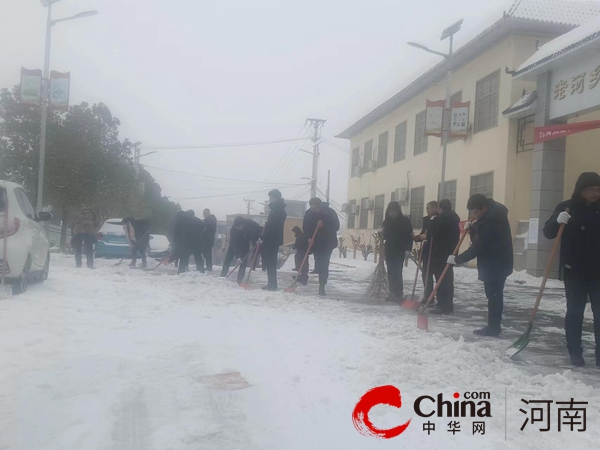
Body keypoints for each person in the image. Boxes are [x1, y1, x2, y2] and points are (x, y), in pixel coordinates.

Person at [543, 172, 600, 367]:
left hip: (598, 271)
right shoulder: (567, 207)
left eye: (598, 189)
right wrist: (557, 220)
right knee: (575, 313)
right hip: (574, 270)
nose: (595, 193)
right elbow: (549, 233)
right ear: (581, 190)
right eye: (591, 189)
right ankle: (575, 352)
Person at [447, 194, 513, 336]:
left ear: (484, 207)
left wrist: (457, 260)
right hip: (496, 262)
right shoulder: (491, 215)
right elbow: (478, 240)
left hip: (496, 262)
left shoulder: (491, 220)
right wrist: (472, 228)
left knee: (494, 295)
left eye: (476, 212)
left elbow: (478, 246)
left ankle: (494, 327)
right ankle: (494, 325)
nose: (475, 215)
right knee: (494, 295)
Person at [300, 198, 340, 296]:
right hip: (313, 242)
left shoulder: (330, 213)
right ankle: (303, 276)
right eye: (312, 208)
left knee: (323, 264)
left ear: (320, 206)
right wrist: (308, 238)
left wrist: (324, 225)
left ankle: (322, 286)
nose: (314, 210)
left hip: (326, 243)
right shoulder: (309, 213)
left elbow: (336, 227)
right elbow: (305, 227)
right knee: (300, 253)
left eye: (316, 208)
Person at [428, 199, 460, 315]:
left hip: (440, 254)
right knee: (447, 280)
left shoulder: (441, 220)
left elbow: (432, 234)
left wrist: (431, 222)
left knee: (440, 280)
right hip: (451, 253)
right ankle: (448, 305)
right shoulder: (454, 219)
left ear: (440, 209)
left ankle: (442, 305)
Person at [380, 201, 413, 300]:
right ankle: (392, 293)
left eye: (394, 211)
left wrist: (408, 249)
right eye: (390, 211)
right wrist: (380, 233)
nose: (392, 213)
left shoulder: (405, 221)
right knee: (390, 272)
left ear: (398, 211)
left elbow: (409, 237)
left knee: (397, 271)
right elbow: (384, 237)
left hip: (400, 250)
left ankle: (398, 293)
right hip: (389, 249)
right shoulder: (386, 222)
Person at [259, 190, 287, 291]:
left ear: (276, 198)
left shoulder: (278, 210)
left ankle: (272, 284)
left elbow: (273, 227)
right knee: (269, 262)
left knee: (271, 262)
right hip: (271, 239)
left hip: (272, 239)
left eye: (271, 198)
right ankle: (271, 283)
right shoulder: (275, 209)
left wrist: (264, 237)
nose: (270, 200)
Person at [414, 201, 438, 304]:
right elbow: (424, 233)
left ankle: (435, 297)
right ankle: (428, 296)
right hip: (427, 250)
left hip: (436, 251)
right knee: (426, 275)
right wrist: (417, 237)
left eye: (428, 208)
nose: (427, 210)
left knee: (436, 275)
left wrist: (427, 236)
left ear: (434, 208)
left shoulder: (439, 220)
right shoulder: (427, 220)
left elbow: (435, 235)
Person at [232, 216, 263, 283]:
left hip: (252, 238)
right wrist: (238, 256)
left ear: (243, 224)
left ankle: (240, 278)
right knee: (241, 259)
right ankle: (239, 279)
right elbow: (234, 243)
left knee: (246, 258)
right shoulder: (234, 230)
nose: (238, 228)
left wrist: (260, 238)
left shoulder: (251, 224)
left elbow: (260, 230)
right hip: (241, 240)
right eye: (237, 227)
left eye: (239, 227)